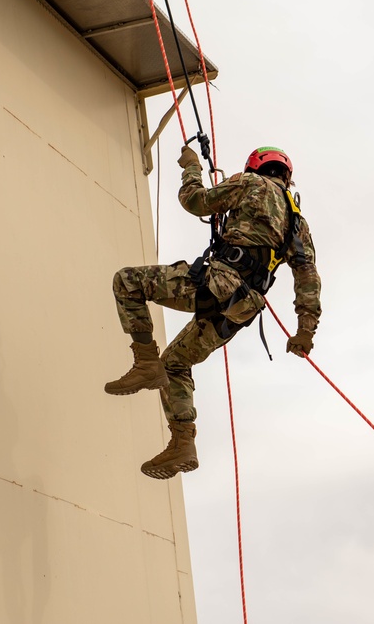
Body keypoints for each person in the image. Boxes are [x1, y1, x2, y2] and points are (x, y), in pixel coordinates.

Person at [104, 145, 322, 479]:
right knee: (175, 365)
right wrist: (305, 330)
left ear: (255, 167)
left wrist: (191, 167)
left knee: (128, 282)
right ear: (287, 176)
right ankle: (182, 442)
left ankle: (145, 361)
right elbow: (307, 275)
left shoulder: (250, 184)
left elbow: (195, 201)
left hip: (216, 285)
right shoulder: (297, 222)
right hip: (237, 312)